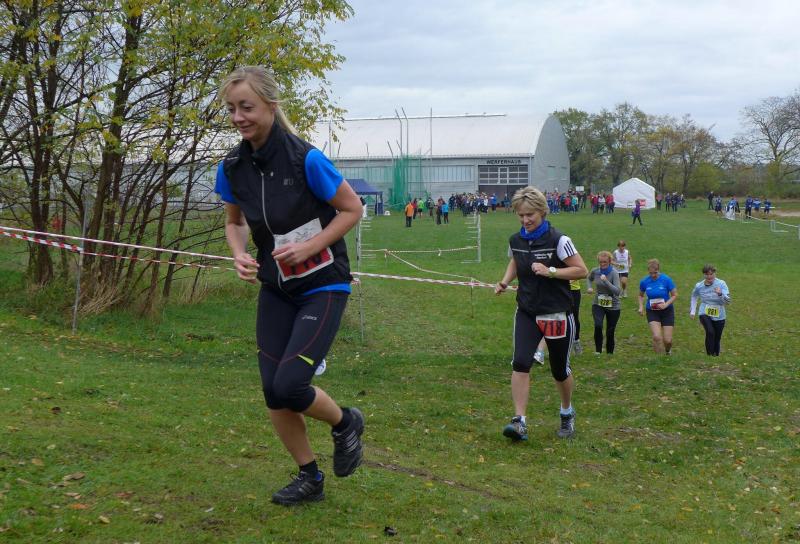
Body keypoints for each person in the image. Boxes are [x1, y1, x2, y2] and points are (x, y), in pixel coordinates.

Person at [215, 66, 364, 506]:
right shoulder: (232, 167)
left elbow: (352, 209)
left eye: (246, 107)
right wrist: (239, 253)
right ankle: (309, 477)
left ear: (270, 105)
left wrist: (310, 247)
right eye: (231, 109)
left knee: (291, 386)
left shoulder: (306, 159)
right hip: (276, 287)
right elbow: (234, 222)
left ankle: (345, 423)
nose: (238, 117)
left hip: (323, 285)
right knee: (272, 392)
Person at [495, 186, 588, 441]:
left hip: (556, 313)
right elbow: (516, 261)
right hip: (527, 310)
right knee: (520, 362)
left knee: (559, 370)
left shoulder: (559, 240)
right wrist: (504, 281)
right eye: (521, 215)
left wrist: (551, 271)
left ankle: (567, 412)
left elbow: (581, 270)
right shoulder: (516, 240)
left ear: (542, 212)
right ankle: (519, 422)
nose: (525, 220)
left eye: (530, 215)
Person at [638, 259, 678, 355]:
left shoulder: (666, 279)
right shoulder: (644, 281)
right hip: (652, 311)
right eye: (650, 273)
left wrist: (666, 304)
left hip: (667, 311)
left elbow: (675, 295)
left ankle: (668, 351)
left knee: (668, 340)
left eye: (655, 273)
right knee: (656, 337)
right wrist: (641, 307)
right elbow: (640, 295)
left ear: (658, 270)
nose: (653, 275)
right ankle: (658, 358)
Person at [690, 264, 731, 356]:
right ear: (703, 275)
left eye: (711, 274)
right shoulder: (699, 286)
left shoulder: (721, 284)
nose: (709, 276)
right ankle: (709, 355)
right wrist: (693, 311)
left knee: (717, 337)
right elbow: (694, 296)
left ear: (715, 274)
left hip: (720, 314)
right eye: (706, 274)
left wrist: (720, 294)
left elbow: (728, 301)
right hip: (704, 312)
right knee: (710, 332)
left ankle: (715, 356)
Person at [586, 251, 622, 355]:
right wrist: (589, 287)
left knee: (610, 330)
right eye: (600, 262)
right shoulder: (595, 271)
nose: (602, 264)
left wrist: (606, 281)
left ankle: (609, 352)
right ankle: (598, 351)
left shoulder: (614, 273)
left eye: (605, 262)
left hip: (613, 305)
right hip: (598, 303)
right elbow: (588, 278)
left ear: (610, 262)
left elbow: (617, 291)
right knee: (598, 325)